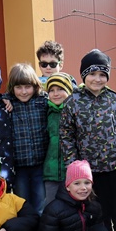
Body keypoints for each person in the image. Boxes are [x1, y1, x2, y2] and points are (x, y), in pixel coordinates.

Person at [59, 49, 116, 231]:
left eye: (102, 75)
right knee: (100, 216)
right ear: (84, 75)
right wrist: (75, 165)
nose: (97, 79)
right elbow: (66, 134)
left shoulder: (114, 99)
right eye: (92, 74)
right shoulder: (73, 102)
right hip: (91, 173)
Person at [5, 63, 48, 214]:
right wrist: (3, 99)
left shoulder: (42, 102)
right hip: (19, 167)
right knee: (22, 206)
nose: (23, 92)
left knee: (41, 204)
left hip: (40, 164)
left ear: (35, 86)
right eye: (18, 87)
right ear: (12, 87)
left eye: (27, 87)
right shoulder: (8, 104)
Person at [42, 72, 74, 208]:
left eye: (60, 89)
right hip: (51, 172)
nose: (56, 94)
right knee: (51, 207)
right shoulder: (45, 111)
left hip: (72, 172)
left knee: (71, 206)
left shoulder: (75, 111)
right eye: (52, 90)